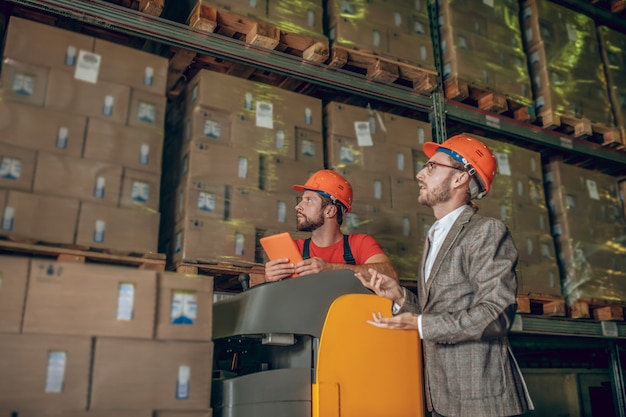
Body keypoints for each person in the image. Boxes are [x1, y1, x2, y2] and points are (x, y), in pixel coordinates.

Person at [356, 134, 534, 417]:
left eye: (431, 166)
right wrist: (400, 296)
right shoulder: (435, 236)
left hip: (479, 399)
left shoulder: (485, 231)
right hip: (441, 397)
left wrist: (421, 324)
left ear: (460, 179)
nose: (419, 174)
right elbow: (437, 311)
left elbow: (496, 314)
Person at [264, 169, 398, 282]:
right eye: (301, 200)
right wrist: (269, 278)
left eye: (309, 200)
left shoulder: (359, 243)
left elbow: (390, 275)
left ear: (330, 211)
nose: (298, 206)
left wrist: (331, 269)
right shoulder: (293, 249)